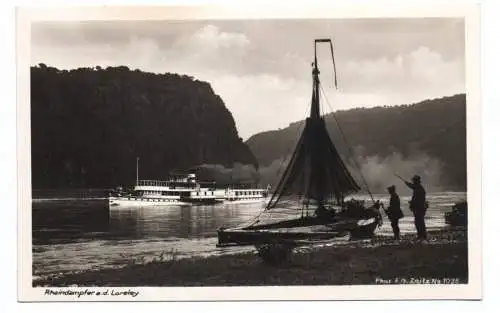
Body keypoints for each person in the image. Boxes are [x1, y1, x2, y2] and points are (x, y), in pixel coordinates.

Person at [403, 175, 428, 240]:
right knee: (419, 222)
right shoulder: (419, 187)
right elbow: (412, 186)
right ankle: (422, 235)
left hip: (419, 208)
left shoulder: (418, 188)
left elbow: (417, 199)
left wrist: (412, 203)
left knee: (419, 222)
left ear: (416, 181)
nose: (413, 182)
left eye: (414, 181)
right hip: (420, 208)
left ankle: (421, 235)